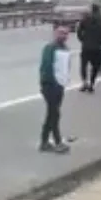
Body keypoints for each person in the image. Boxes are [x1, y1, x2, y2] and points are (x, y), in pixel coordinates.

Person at [38, 24, 71, 153]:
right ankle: (57, 142)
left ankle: (44, 141)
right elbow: (46, 67)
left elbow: (65, 67)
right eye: (61, 33)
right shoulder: (50, 48)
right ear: (55, 33)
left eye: (66, 33)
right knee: (54, 113)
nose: (63, 35)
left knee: (52, 114)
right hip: (50, 85)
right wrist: (50, 83)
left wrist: (64, 81)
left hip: (60, 86)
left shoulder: (65, 49)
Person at [77, 3, 101, 93]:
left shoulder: (85, 20)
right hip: (97, 48)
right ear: (99, 10)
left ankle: (84, 83)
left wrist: (83, 39)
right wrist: (100, 42)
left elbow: (79, 31)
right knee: (95, 66)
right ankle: (92, 83)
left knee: (84, 65)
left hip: (86, 46)